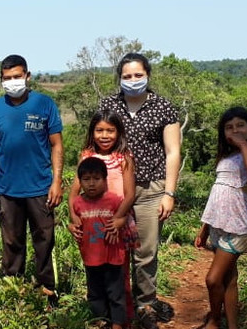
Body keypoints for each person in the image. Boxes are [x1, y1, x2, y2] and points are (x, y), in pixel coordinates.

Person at [99, 53, 181, 329]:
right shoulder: (109, 104)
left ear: (147, 75)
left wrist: (169, 193)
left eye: (137, 75)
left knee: (146, 250)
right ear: (119, 78)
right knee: (114, 248)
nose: (132, 80)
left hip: (150, 189)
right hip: (114, 190)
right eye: (126, 76)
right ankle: (118, 306)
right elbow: (99, 141)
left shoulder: (163, 107)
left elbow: (172, 152)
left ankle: (146, 304)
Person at [0, 54, 64, 308]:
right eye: (7, 78)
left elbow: (57, 145)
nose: (13, 82)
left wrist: (57, 180)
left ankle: (47, 289)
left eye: (17, 77)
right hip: (7, 189)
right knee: (11, 242)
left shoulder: (44, 104)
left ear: (28, 76)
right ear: (1, 80)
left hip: (40, 187)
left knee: (44, 240)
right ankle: (13, 290)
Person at [194, 106, 247, 329]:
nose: (235, 130)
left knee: (212, 279)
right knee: (229, 279)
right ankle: (233, 325)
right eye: (229, 127)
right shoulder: (226, 155)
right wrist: (205, 228)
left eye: (240, 125)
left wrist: (243, 143)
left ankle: (215, 320)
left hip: (237, 225)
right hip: (218, 224)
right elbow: (217, 192)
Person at [67, 110, 137, 326]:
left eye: (110, 130)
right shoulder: (87, 156)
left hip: (117, 222)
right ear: (92, 132)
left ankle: (123, 319)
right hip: (91, 224)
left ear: (119, 133)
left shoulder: (124, 158)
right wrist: (72, 218)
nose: (104, 135)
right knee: (96, 272)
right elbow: (73, 194)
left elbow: (130, 193)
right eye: (99, 130)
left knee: (119, 273)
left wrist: (119, 218)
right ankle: (102, 318)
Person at [72, 157, 127, 329]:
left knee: (115, 293)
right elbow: (74, 223)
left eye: (96, 179)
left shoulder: (114, 200)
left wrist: (120, 221)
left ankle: (118, 324)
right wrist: (70, 226)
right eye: (86, 179)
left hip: (113, 257)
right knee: (95, 293)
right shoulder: (78, 203)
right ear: (80, 182)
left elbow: (124, 218)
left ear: (105, 180)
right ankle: (101, 322)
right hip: (90, 258)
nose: (91, 184)